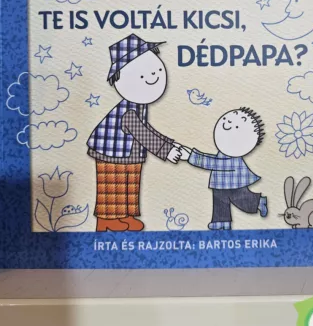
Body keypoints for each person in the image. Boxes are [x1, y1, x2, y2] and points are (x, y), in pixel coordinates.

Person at [87, 34, 182, 232]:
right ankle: (107, 219)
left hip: (130, 152)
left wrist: (169, 143)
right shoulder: (129, 112)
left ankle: (126, 215)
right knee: (113, 183)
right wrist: (166, 151)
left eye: (157, 71)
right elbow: (142, 134)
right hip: (110, 151)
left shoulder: (139, 105)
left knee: (130, 181)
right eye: (142, 76)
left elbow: (147, 130)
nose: (153, 77)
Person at [180, 108, 268, 230]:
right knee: (220, 200)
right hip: (220, 182)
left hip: (235, 181)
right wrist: (192, 154)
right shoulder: (224, 153)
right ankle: (221, 221)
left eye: (235, 126)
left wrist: (191, 157)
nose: (227, 125)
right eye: (226, 120)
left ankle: (258, 202)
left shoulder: (233, 156)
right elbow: (214, 159)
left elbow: (214, 163)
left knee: (240, 199)